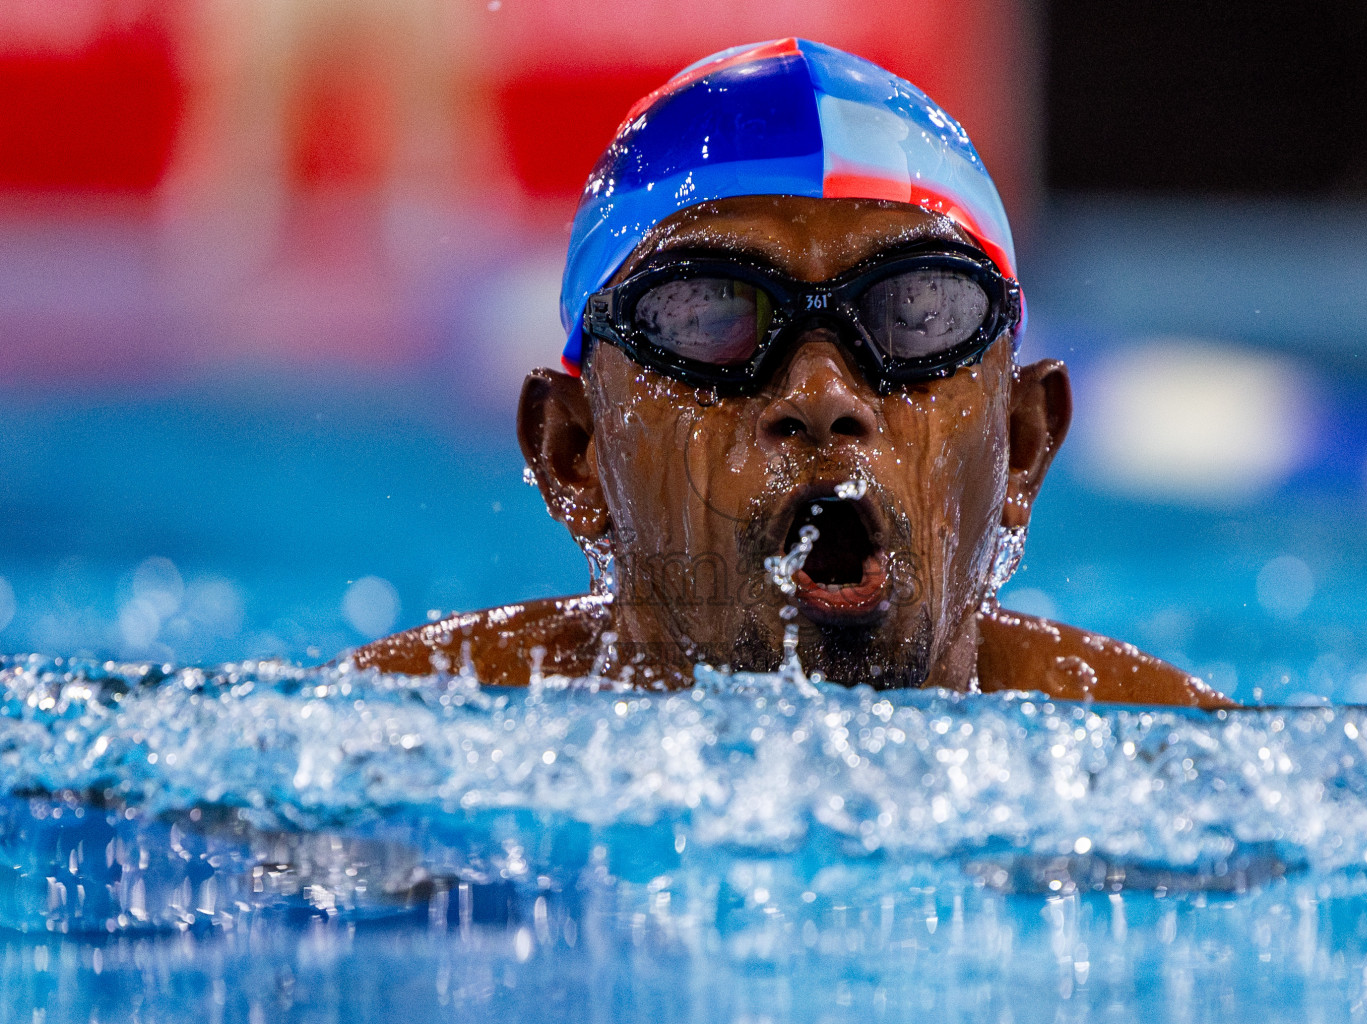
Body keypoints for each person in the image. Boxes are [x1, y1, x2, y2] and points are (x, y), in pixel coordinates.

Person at [355, 39, 1228, 707]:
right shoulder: (382, 746)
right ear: (574, 452)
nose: (821, 395)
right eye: (709, 318)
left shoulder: (1181, 774)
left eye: (914, 315)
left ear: (1022, 442)